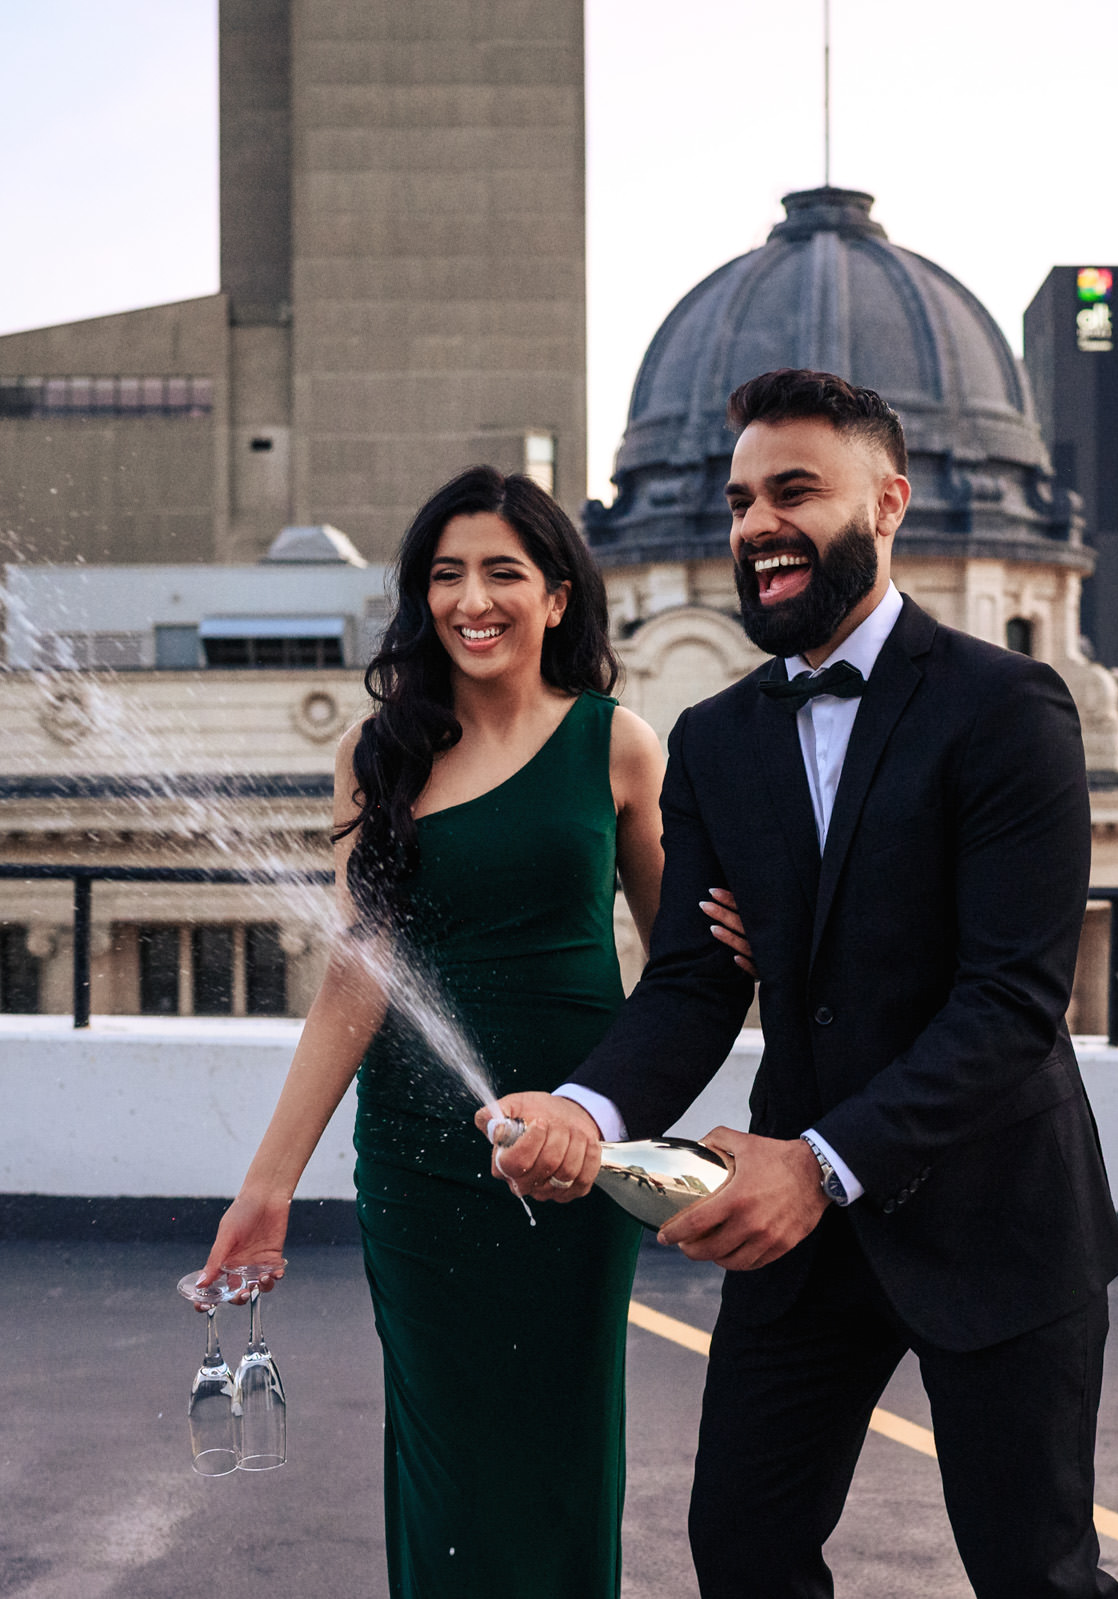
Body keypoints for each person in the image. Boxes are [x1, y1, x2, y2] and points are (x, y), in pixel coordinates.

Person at [490, 369, 1118, 1599]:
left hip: (994, 1209)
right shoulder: (718, 741)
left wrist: (819, 1160)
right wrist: (587, 1109)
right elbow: (688, 985)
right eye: (740, 501)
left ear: (888, 506)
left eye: (795, 491)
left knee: (1035, 1575)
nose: (756, 526)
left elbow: (1009, 1001)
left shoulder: (1008, 707)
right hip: (808, 1234)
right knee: (743, 1549)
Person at [199, 465, 750, 1598]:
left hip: (574, 1163)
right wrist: (269, 1185)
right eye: (445, 575)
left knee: (558, 1453)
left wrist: (753, 938)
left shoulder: (620, 745)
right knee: (448, 1466)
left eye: (503, 571)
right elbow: (358, 981)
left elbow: (684, 973)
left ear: (557, 596)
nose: (471, 599)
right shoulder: (380, 755)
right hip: (418, 1163)